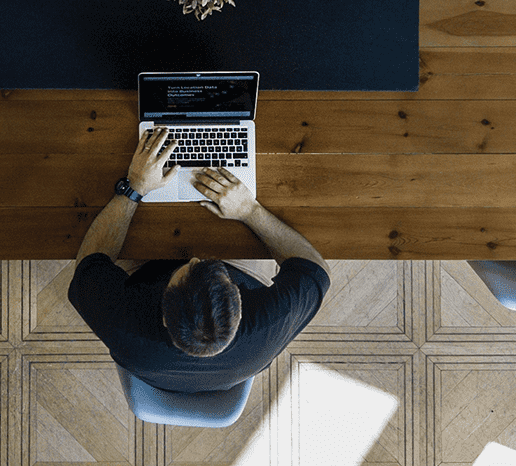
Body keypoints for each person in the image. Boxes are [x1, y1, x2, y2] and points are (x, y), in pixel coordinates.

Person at [67, 126, 331, 394]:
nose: (194, 258)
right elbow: (316, 268)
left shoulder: (121, 326)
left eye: (188, 268)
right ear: (240, 302)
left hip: (145, 287)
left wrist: (135, 187)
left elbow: (89, 262)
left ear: (164, 319)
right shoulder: (267, 327)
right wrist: (249, 210)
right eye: (200, 264)